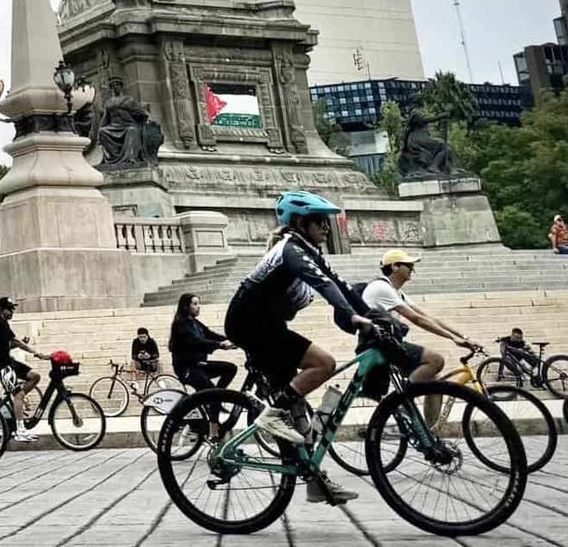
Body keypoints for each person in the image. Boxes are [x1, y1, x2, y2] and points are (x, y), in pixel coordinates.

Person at [224, 191, 384, 507]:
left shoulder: (309, 250)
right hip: (250, 324)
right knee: (323, 363)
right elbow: (324, 287)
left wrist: (373, 314)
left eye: (327, 221)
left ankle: (314, 482)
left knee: (301, 419)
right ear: (299, 222)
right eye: (319, 221)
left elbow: (339, 285)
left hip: (270, 327)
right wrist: (350, 315)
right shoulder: (290, 250)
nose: (327, 227)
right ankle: (271, 416)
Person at [361, 251, 479, 426]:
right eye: (409, 265)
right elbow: (415, 319)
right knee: (435, 360)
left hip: (389, 343)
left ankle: (429, 435)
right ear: (395, 266)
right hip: (377, 345)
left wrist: (461, 337)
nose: (413, 269)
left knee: (435, 386)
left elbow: (427, 317)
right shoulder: (381, 287)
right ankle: (400, 401)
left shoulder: (396, 292)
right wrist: (452, 339)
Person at [0, 296, 50, 443]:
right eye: (10, 309)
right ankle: (20, 430)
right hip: (0, 366)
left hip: (9, 362)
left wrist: (20, 343)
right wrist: (35, 352)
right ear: (2, 310)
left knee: (34, 376)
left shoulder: (2, 323)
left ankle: (17, 399)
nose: (13, 311)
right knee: (19, 394)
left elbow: (7, 345)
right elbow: (14, 341)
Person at [168, 295, 237, 391]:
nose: (198, 306)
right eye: (195, 304)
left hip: (200, 365)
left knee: (230, 369)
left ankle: (214, 398)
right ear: (186, 306)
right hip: (188, 368)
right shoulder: (181, 324)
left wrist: (235, 340)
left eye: (198, 304)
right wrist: (219, 345)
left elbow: (210, 334)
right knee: (212, 395)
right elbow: (196, 342)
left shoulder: (195, 323)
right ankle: (213, 399)